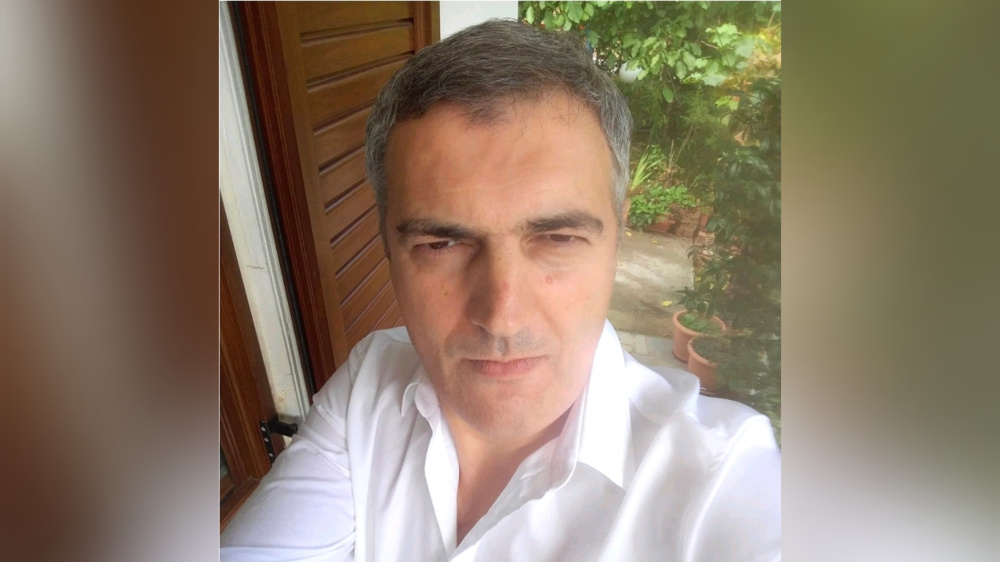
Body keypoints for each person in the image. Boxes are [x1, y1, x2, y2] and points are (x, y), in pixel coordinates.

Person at [221, 19, 780, 562]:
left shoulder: (722, 477)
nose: (503, 317)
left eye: (558, 238)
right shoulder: (369, 383)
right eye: (442, 244)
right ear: (387, 244)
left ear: (618, 232)